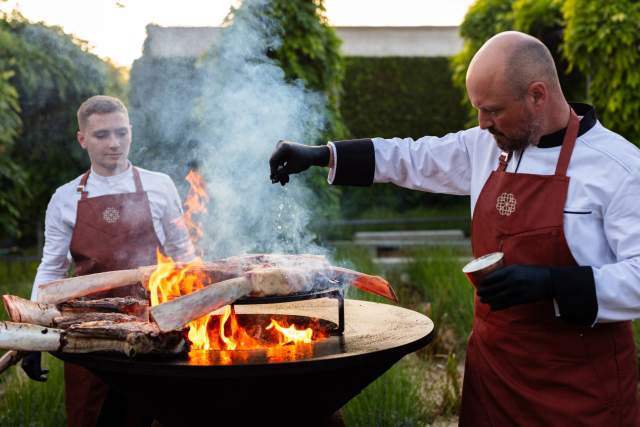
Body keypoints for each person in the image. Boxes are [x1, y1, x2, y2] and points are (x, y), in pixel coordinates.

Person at [269, 31, 640, 425]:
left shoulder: (619, 168)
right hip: (495, 377)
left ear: (537, 95)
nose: (482, 124)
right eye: (478, 109)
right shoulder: (489, 146)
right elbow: (412, 157)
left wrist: (552, 284)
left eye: (493, 110)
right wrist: (321, 155)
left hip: (577, 391)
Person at [26, 95, 194, 427]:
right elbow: (52, 268)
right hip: (87, 333)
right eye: (102, 135)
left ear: (131, 131)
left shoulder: (159, 186)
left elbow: (184, 256)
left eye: (121, 133)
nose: (114, 143)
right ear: (82, 139)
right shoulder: (64, 198)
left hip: (153, 329)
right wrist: (33, 333)